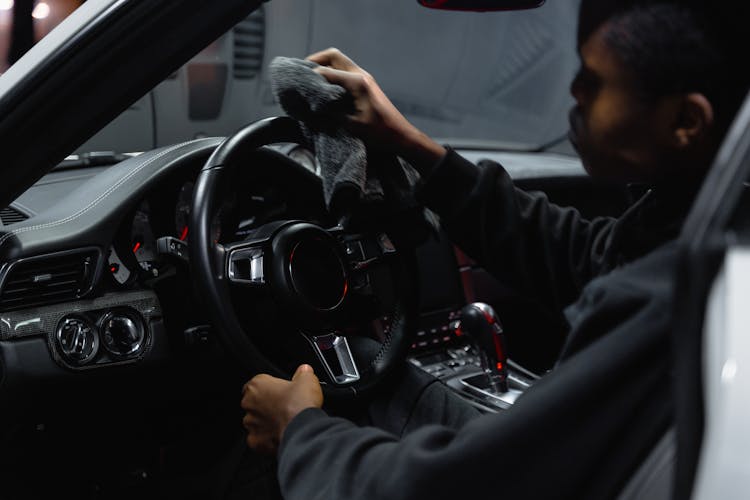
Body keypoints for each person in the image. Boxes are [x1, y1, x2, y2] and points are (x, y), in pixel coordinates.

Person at [238, 1, 750, 498]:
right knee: (368, 363)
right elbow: (585, 257)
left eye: (594, 82)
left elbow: (450, 487)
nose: (573, 90)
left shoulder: (671, 302)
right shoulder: (698, 224)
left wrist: (298, 432)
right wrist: (411, 144)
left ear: (686, 122)